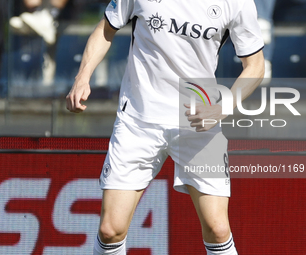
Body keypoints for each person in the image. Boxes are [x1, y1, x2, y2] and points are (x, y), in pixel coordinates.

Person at [66, 0, 265, 254]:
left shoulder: (237, 3)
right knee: (110, 230)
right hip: (139, 119)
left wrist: (222, 108)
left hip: (198, 118)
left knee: (218, 230)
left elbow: (256, 66)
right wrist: (82, 77)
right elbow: (106, 28)